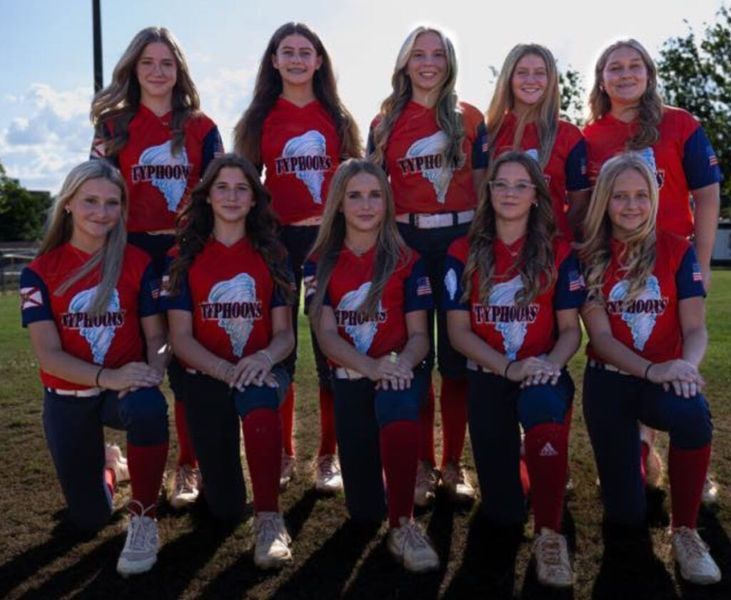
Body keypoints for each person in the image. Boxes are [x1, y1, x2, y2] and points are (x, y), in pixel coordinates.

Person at [90, 26, 224, 509]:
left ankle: (188, 466)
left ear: (179, 70)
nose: (157, 72)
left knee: (189, 362)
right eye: (148, 62)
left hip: (185, 253)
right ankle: (124, 455)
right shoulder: (112, 126)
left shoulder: (202, 127)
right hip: (129, 255)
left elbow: (216, 194)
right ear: (133, 68)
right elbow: (96, 191)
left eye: (167, 63)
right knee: (132, 357)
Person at [583, 38, 722, 495]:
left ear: (649, 73)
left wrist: (698, 265)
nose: (625, 74)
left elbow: (705, 196)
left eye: (634, 65)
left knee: (671, 349)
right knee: (628, 346)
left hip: (672, 258)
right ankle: (634, 451)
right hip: (615, 261)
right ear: (601, 79)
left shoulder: (679, 123)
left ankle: (685, 457)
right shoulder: (591, 136)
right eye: (614, 67)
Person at [20, 160, 169, 577]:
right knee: (88, 520)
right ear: (67, 203)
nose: (101, 212)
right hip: (69, 395)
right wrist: (110, 376)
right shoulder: (39, 272)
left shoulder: (137, 262)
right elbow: (49, 355)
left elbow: (157, 338)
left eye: (111, 203)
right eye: (90, 201)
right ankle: (110, 466)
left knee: (149, 407)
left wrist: (153, 370)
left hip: (120, 392)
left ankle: (144, 518)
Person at [578, 153, 720, 585]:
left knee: (692, 414)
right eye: (620, 196)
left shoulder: (677, 249)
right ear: (605, 200)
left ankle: (686, 530)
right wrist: (650, 371)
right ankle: (638, 453)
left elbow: (695, 328)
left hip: (662, 378)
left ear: (654, 199)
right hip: (610, 383)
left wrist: (683, 368)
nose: (632, 205)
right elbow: (600, 339)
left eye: (641, 195)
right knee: (626, 515)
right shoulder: (586, 255)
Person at [445, 151, 585, 588]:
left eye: (520, 185)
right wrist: (508, 368)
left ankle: (549, 534)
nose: (509, 193)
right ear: (488, 193)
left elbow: (570, 331)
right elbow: (458, 333)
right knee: (502, 512)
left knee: (543, 405)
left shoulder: (558, 253)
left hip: (541, 374)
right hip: (492, 374)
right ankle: (534, 467)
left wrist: (548, 365)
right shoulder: (461, 251)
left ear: (536, 196)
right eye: (500, 184)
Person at [234, 22, 362, 493]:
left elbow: (357, 182)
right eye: (286, 52)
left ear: (319, 60)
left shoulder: (337, 117)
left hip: (330, 240)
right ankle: (284, 453)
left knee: (332, 350)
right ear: (273, 61)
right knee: (279, 349)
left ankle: (329, 455)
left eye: (304, 52)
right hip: (279, 242)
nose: (295, 60)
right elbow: (243, 184)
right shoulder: (258, 119)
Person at [368, 25, 488, 506]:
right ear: (404, 62)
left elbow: (483, 188)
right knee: (415, 357)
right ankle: (419, 463)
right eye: (419, 54)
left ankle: (453, 465)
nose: (428, 62)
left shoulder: (471, 117)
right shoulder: (385, 122)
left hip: (460, 239)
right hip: (408, 241)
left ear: (450, 61)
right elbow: (373, 191)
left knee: (458, 363)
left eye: (438, 53)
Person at [161, 154, 295, 569]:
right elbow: (180, 338)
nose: (232, 196)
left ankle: (271, 519)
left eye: (243, 188)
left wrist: (263, 358)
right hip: (208, 374)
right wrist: (223, 370)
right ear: (207, 196)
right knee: (223, 510)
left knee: (258, 400)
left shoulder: (272, 252)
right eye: (223, 187)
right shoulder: (183, 254)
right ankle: (219, 488)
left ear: (255, 199)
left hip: (259, 368)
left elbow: (285, 334)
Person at [305, 159, 439, 572]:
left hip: (397, 373)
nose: (366, 204)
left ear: (387, 201)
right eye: (355, 195)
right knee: (363, 514)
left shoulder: (407, 258)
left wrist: (396, 367)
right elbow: (326, 336)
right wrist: (370, 366)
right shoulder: (319, 261)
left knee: (397, 403)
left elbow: (419, 336)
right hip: (351, 377)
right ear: (339, 204)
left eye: (375, 194)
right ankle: (393, 481)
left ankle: (404, 523)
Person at [486, 43, 591, 240]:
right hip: (498, 249)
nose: (531, 80)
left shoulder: (569, 136)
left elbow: (579, 206)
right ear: (509, 78)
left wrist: (555, 243)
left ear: (551, 79)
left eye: (540, 73)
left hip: (551, 250)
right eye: (522, 72)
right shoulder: (490, 132)